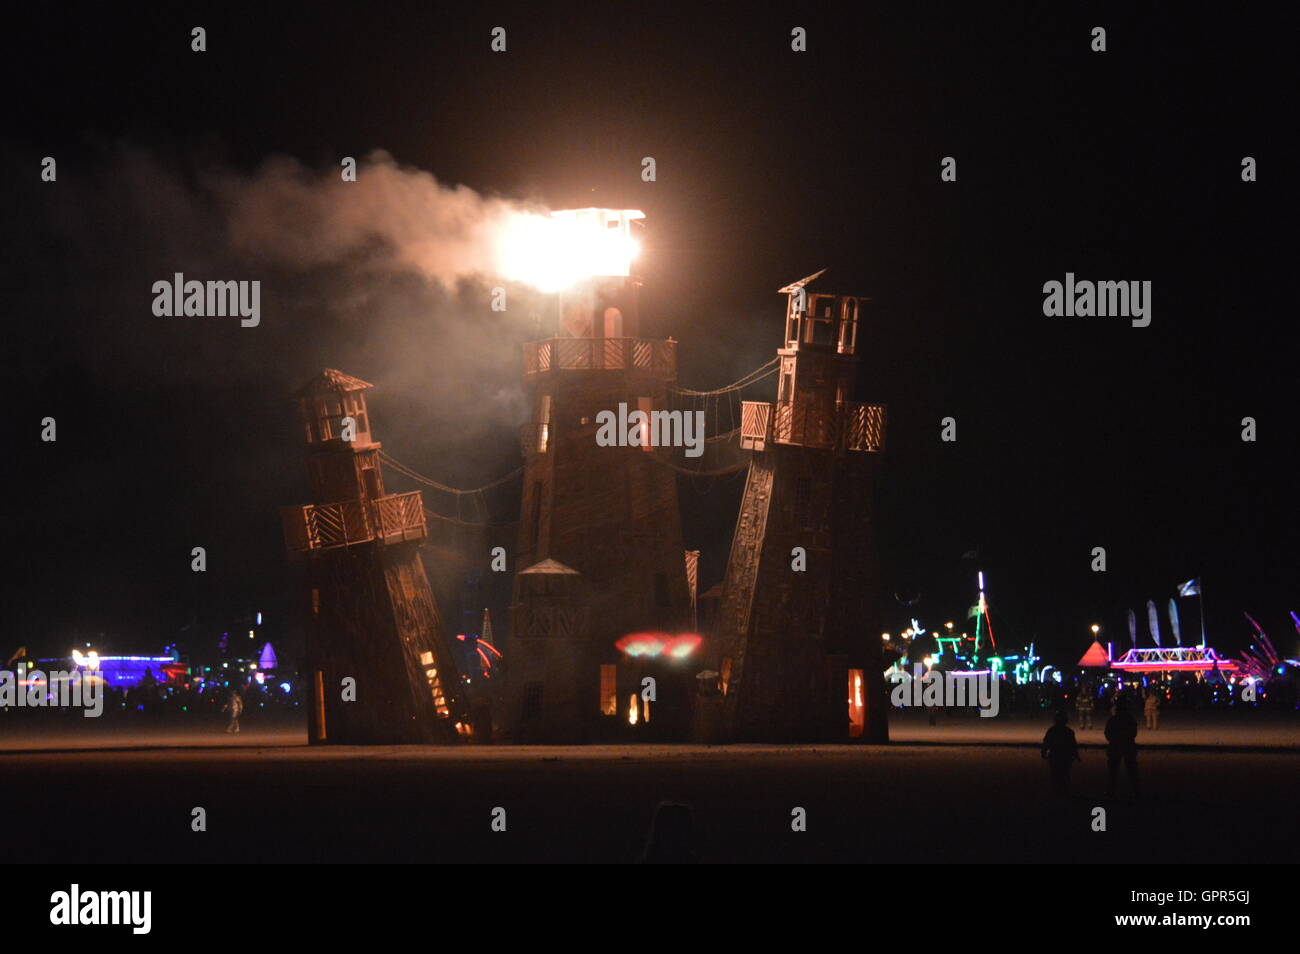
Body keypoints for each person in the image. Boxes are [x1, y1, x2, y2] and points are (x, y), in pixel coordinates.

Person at [1104, 698, 1140, 796]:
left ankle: (1111, 792)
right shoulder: (1130, 719)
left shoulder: (1113, 719)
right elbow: (1134, 733)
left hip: (1115, 746)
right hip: (1128, 746)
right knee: (1132, 770)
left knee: (1113, 771)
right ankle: (1136, 792)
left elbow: (1107, 734)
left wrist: (1115, 739)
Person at [1041, 710, 1081, 796]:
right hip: (1065, 756)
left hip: (1055, 755)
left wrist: (1043, 752)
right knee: (1065, 773)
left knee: (1055, 773)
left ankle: (1057, 791)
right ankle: (1064, 791)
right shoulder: (1069, 731)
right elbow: (1073, 745)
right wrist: (1076, 755)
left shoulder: (1052, 730)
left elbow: (1046, 742)